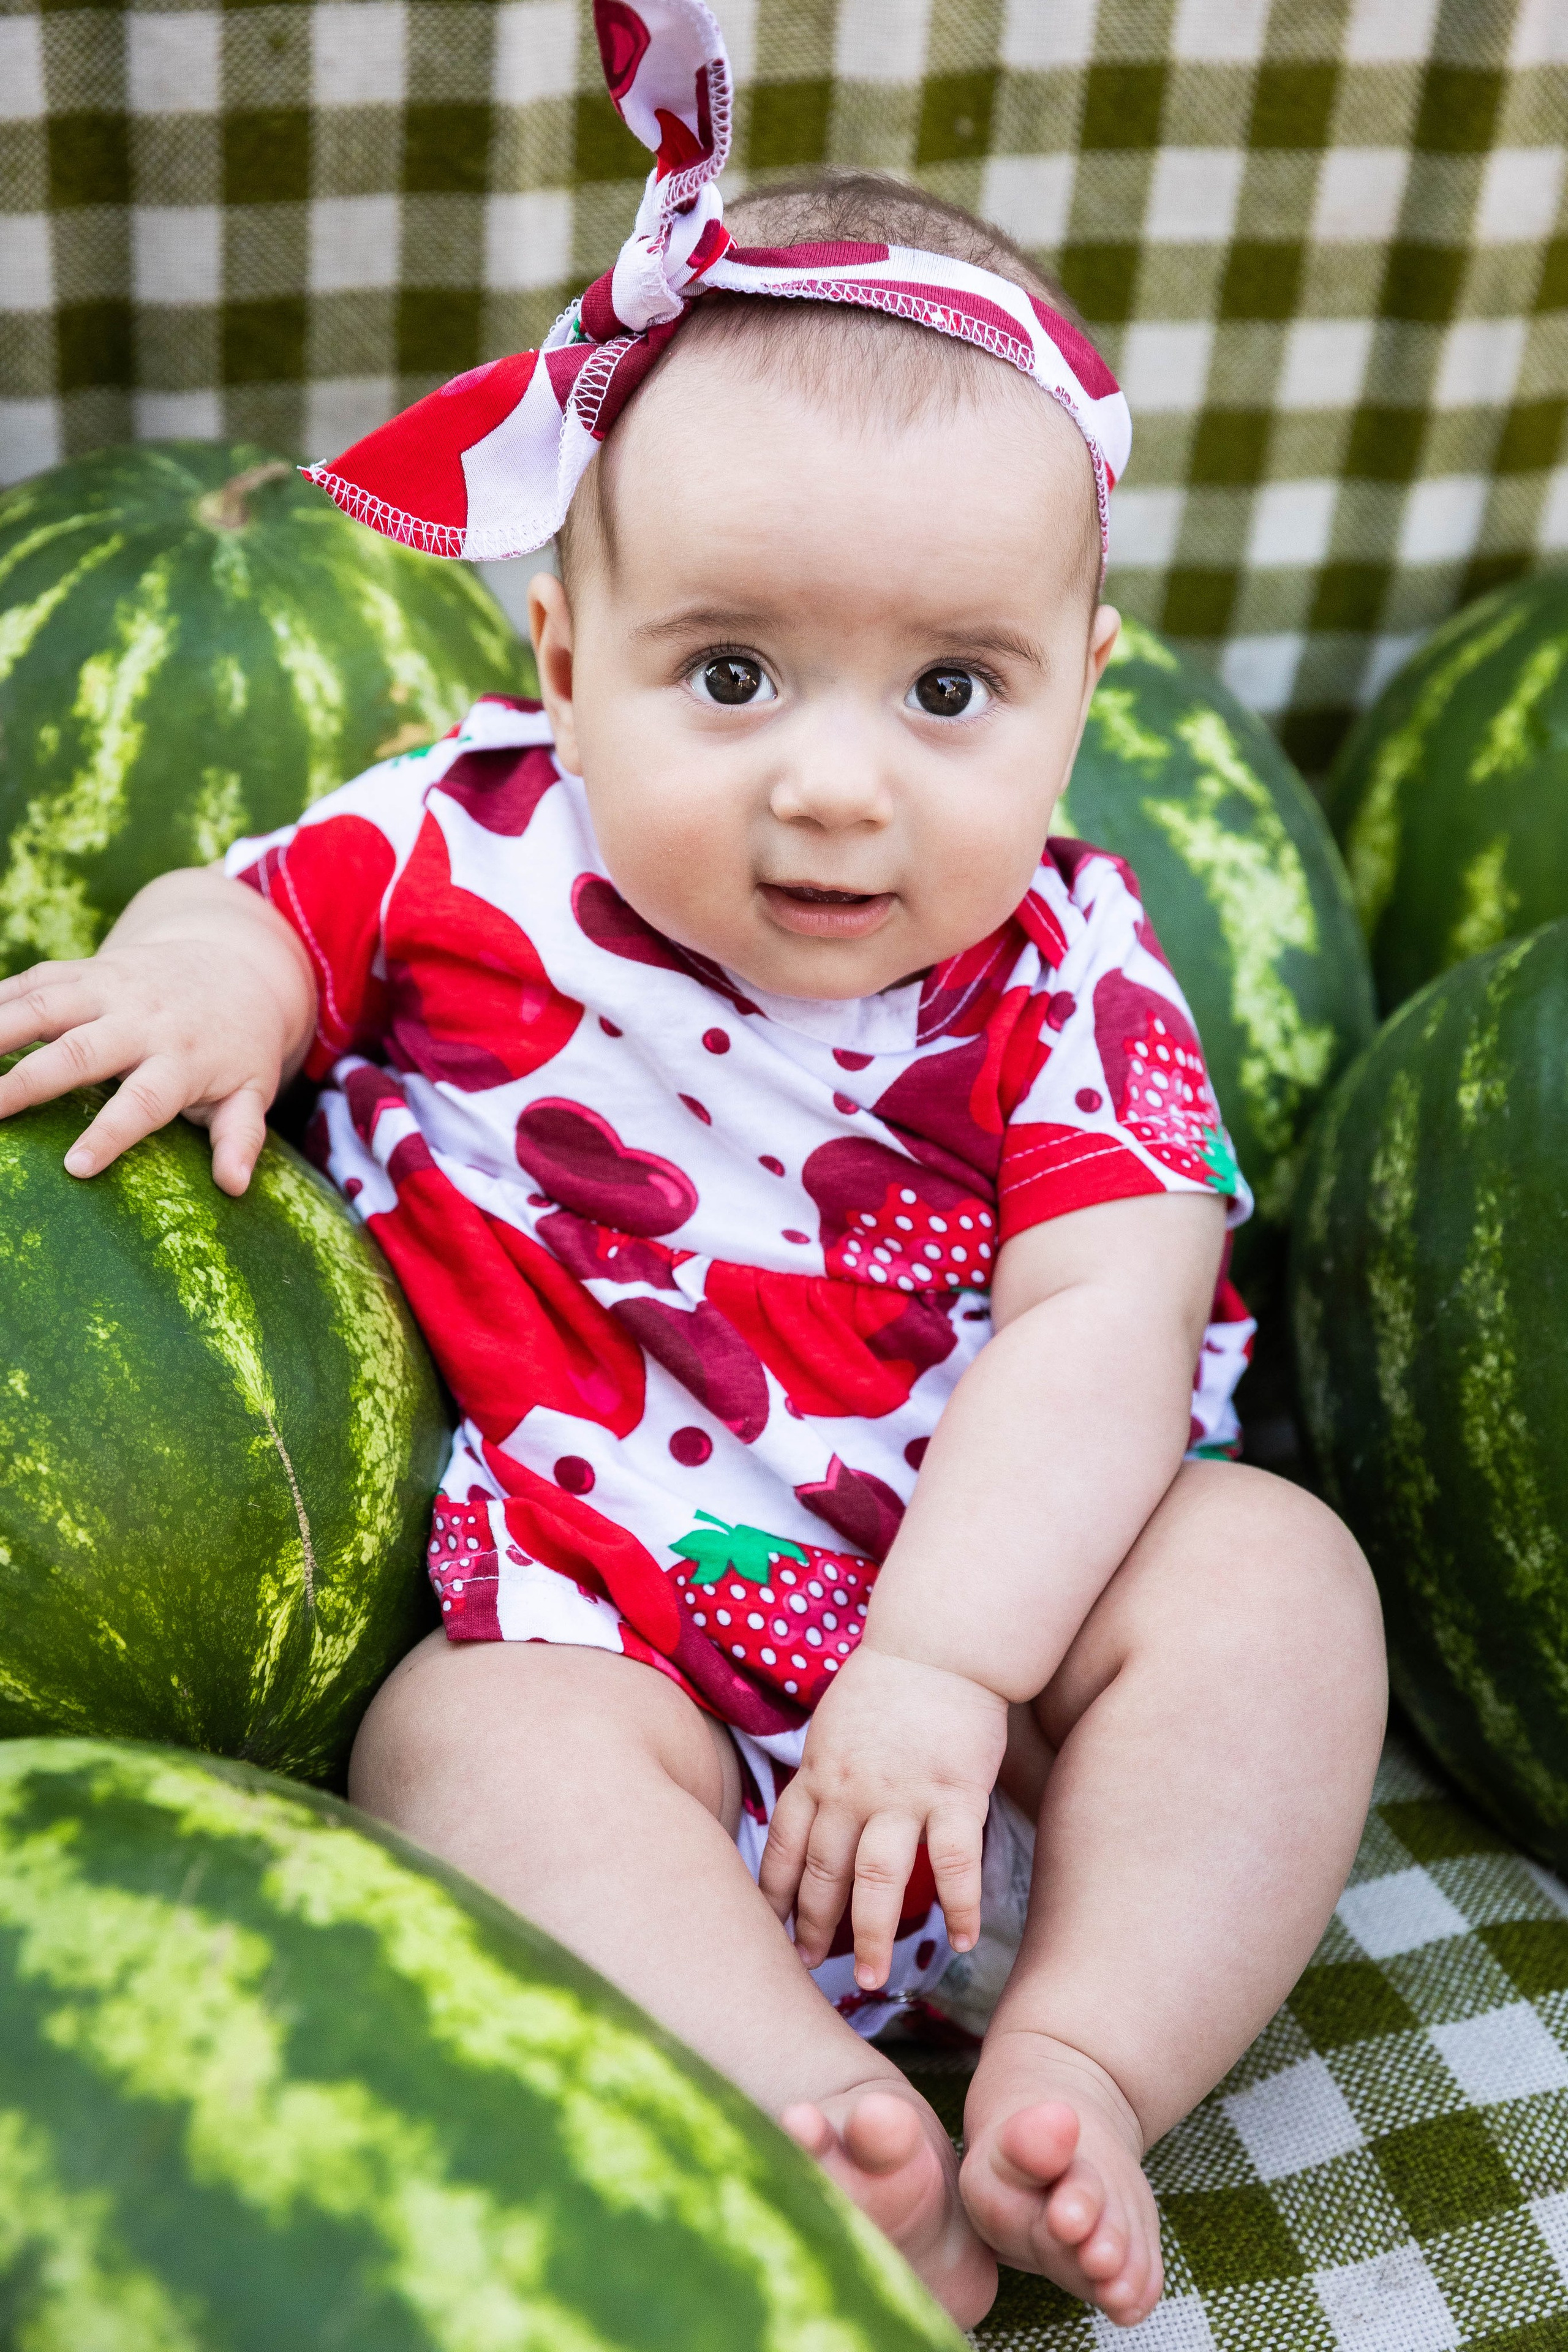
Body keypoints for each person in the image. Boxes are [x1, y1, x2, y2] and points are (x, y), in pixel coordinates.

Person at [0, 1, 1385, 2327]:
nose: (837, 787)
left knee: (1274, 1588)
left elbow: (1110, 1323)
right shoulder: (465, 845)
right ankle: (816, 2134)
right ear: (563, 651)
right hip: (617, 1639)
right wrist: (210, 973)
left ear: (1083, 686)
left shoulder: (1077, 976)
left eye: (951, 691)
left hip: (1020, 1656)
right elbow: (255, 909)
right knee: (456, 1745)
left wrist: (949, 1672)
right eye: (732, 673)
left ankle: (1085, 2054)